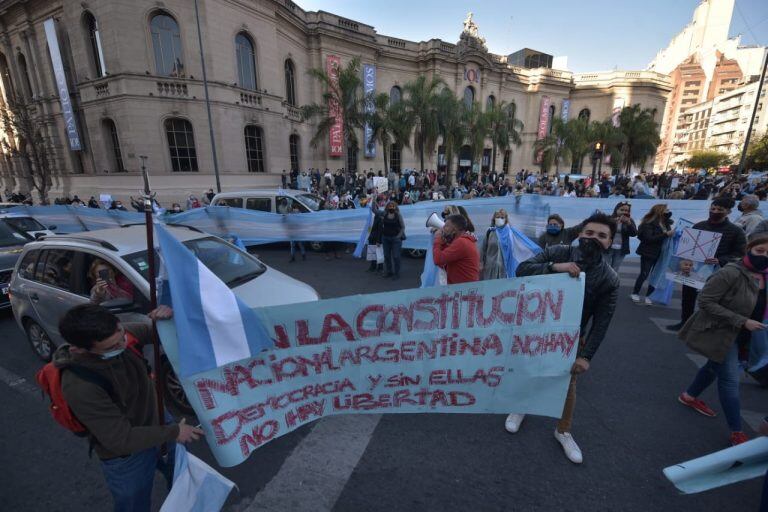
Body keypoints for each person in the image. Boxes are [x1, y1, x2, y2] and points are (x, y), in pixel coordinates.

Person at [54, 304, 203, 511]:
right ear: (78, 349)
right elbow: (121, 440)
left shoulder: (120, 334)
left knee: (182, 480)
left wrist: (170, 318)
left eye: (122, 335)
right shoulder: (80, 386)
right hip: (128, 456)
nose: (122, 345)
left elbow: (164, 333)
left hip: (160, 420)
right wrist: (175, 431)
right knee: (134, 504)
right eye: (111, 348)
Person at [506, 212, 620, 464]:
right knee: (529, 370)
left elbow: (602, 322)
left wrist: (586, 356)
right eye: (589, 233)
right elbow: (522, 270)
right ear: (580, 234)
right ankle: (521, 407)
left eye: (602, 236)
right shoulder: (558, 252)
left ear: (610, 242)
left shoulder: (610, 278)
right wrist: (554, 268)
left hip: (570, 338)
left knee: (567, 384)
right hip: (535, 328)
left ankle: (563, 430)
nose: (594, 238)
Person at [677, 234, 768, 446]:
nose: (765, 256)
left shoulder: (765, 274)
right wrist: (741, 320)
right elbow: (706, 301)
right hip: (723, 333)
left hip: (747, 335)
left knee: (712, 367)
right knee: (729, 379)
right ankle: (737, 431)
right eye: (760, 251)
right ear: (749, 250)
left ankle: (689, 396)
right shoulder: (731, 273)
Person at [668, 197, 746, 331]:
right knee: (688, 296)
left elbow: (740, 253)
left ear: (728, 211)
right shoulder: (699, 226)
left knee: (713, 300)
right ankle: (685, 322)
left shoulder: (736, 231)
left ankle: (709, 326)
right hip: (694, 268)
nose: (715, 211)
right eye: (713, 208)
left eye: (719, 210)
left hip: (719, 272)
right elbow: (687, 248)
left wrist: (721, 260)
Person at [631, 204, 674, 305]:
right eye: (666, 210)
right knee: (644, 273)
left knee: (656, 274)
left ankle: (649, 295)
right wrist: (666, 234)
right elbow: (649, 238)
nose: (668, 211)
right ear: (660, 211)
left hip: (662, 253)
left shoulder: (666, 223)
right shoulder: (648, 223)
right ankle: (635, 293)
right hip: (648, 252)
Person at [433, 214, 480, 284]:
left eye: (446, 226)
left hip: (463, 288)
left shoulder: (461, 242)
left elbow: (438, 259)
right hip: (465, 286)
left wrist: (437, 239)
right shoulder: (463, 241)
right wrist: (443, 242)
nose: (443, 228)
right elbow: (444, 261)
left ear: (455, 229)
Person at [376, 201, 405, 279]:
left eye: (393, 206)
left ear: (395, 207)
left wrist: (398, 236)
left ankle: (397, 273)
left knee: (396, 256)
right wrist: (374, 198)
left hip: (395, 239)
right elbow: (374, 210)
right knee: (387, 256)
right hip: (385, 238)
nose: (391, 207)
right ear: (387, 207)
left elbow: (403, 227)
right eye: (389, 206)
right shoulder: (384, 214)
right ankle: (389, 272)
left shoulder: (398, 215)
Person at [481, 209, 510, 280]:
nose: (500, 219)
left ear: (506, 219)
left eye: (502, 217)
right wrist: (481, 263)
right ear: (494, 219)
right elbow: (483, 250)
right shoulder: (490, 232)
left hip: (504, 270)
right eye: (498, 217)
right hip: (490, 268)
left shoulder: (510, 234)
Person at [608, 201, 637, 272]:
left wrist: (629, 224)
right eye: (622, 210)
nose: (624, 212)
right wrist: (613, 222)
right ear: (616, 210)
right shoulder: (608, 218)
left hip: (621, 249)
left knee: (615, 268)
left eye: (626, 210)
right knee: (605, 266)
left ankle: (611, 282)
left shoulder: (630, 221)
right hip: (608, 247)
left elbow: (634, 234)